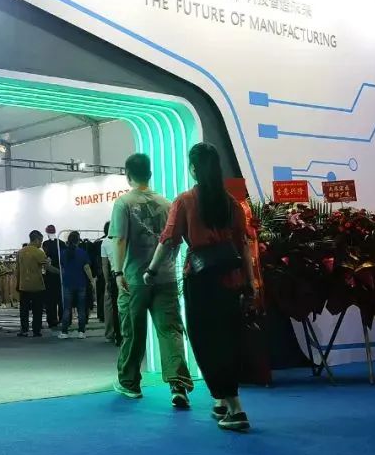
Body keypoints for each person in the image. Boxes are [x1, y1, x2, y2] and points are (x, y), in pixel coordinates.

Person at [145, 142, 258, 432]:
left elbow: (168, 239)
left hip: (200, 282)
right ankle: (220, 401)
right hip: (231, 280)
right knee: (228, 341)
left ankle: (235, 409)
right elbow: (243, 244)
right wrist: (250, 282)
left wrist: (151, 270)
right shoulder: (232, 204)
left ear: (194, 169)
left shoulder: (185, 201)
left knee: (206, 343)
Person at [108, 153, 192, 406]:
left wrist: (118, 272)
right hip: (165, 277)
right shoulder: (167, 204)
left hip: (133, 278)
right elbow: (175, 240)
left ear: (127, 175)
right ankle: (178, 384)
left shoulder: (123, 203)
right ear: (150, 174)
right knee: (170, 330)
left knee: (133, 332)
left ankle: (130, 383)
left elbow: (119, 240)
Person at [16, 230, 57, 337]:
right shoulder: (39, 253)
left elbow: (17, 270)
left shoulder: (20, 252)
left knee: (24, 310)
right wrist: (60, 272)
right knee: (37, 310)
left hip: (23, 286)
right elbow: (47, 267)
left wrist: (18, 284)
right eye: (41, 241)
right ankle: (36, 330)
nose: (41, 244)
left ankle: (24, 330)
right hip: (37, 286)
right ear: (37, 240)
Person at [58, 231, 96, 338]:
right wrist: (92, 280)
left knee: (67, 308)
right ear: (78, 241)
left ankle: (64, 332)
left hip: (67, 283)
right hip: (81, 283)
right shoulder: (82, 253)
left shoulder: (63, 253)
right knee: (81, 309)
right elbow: (86, 268)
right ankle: (81, 332)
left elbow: (62, 268)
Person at [100, 221, 120, 345]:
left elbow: (104, 265)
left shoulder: (104, 243)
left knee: (112, 306)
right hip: (127, 273)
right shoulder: (122, 238)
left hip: (114, 276)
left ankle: (111, 334)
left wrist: (107, 281)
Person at [41, 226, 63, 329]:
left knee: (50, 300)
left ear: (47, 233)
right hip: (61, 274)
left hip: (50, 275)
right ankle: (63, 319)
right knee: (61, 299)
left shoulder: (45, 244)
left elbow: (46, 259)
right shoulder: (61, 243)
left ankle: (52, 320)